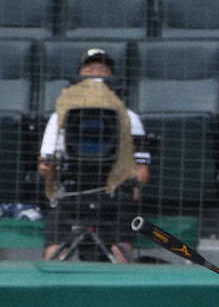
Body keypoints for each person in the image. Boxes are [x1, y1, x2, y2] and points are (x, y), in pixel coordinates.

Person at [38, 47, 151, 262]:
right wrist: (51, 169)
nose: (96, 75)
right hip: (70, 196)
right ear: (79, 78)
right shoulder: (59, 117)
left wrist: (129, 184)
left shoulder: (130, 118)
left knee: (121, 254)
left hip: (114, 198)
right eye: (90, 70)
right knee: (54, 253)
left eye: (102, 70)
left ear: (112, 78)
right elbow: (44, 168)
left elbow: (142, 173)